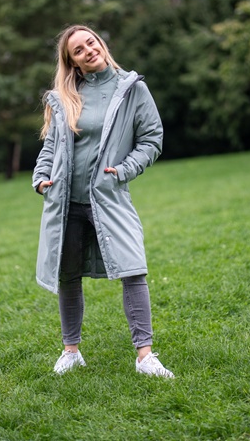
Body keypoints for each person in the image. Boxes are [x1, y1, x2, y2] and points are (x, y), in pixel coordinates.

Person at [32, 24, 174, 378]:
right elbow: (51, 146)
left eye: (90, 42)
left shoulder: (132, 89)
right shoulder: (66, 96)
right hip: (66, 202)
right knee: (68, 275)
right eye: (78, 50)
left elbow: (152, 139)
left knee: (133, 269)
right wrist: (41, 177)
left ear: (101, 43)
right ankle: (71, 351)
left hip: (109, 197)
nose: (88, 51)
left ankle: (145, 356)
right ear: (73, 62)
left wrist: (124, 170)